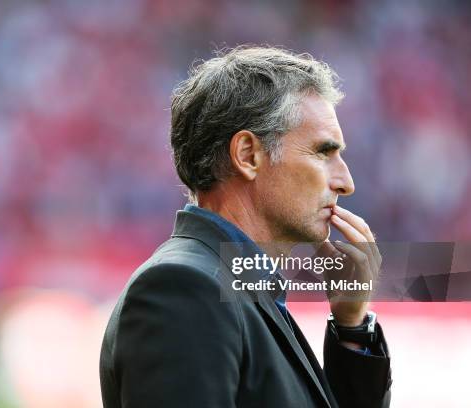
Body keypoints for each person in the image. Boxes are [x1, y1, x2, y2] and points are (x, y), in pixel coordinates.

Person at [100, 46, 392, 408]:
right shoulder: (183, 288)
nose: (345, 182)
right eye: (323, 152)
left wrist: (352, 327)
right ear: (248, 155)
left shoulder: (239, 287)